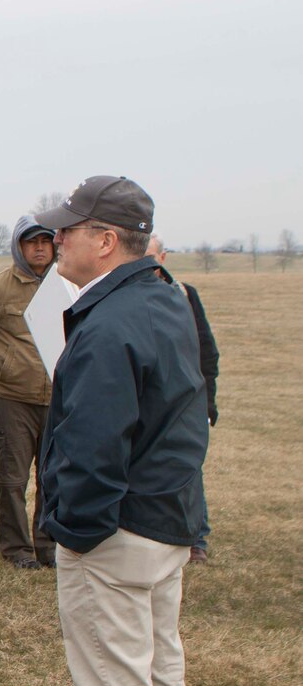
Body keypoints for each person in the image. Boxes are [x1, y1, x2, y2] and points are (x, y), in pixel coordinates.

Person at [34, 177, 207, 686]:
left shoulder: (110, 324)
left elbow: (93, 445)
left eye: (69, 231)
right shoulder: (166, 299)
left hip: (118, 535)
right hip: (165, 521)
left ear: (106, 242)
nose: (57, 241)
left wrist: (76, 531)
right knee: (160, 685)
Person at [0, 218, 58, 568]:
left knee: (53, 478)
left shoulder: (68, 285)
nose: (39, 247)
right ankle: (18, 549)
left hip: (59, 399)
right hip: (13, 397)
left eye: (46, 240)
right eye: (31, 242)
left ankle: (49, 545)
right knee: (12, 478)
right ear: (18, 246)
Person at [147, 235, 219, 564]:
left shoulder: (184, 295)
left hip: (186, 399)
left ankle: (196, 539)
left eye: (151, 257)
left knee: (190, 469)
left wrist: (208, 404)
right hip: (153, 397)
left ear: (162, 257)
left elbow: (207, 352)